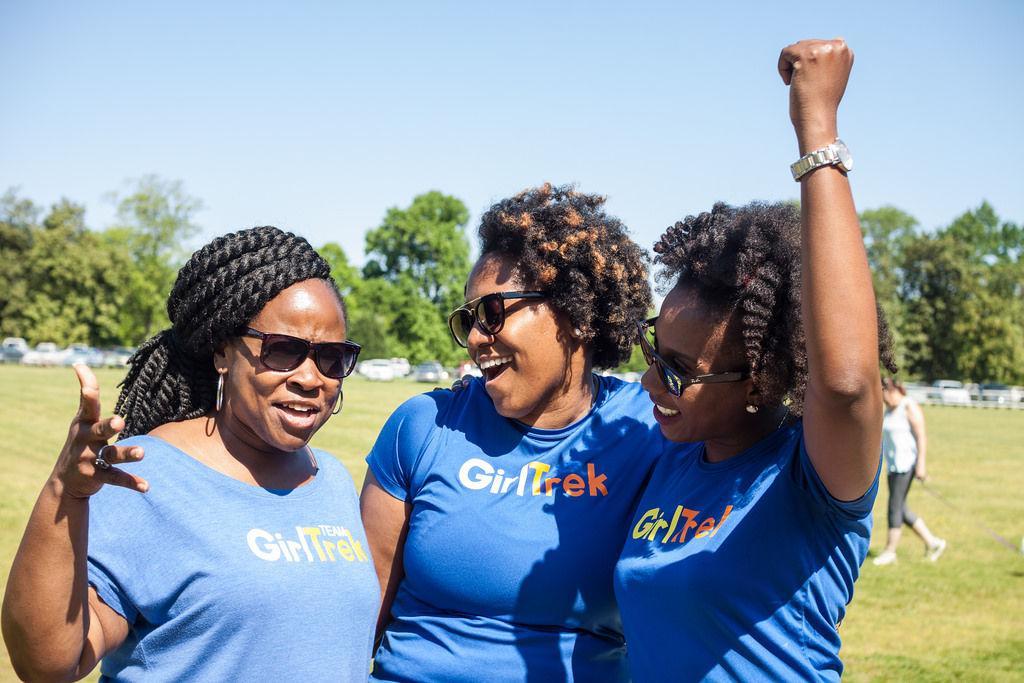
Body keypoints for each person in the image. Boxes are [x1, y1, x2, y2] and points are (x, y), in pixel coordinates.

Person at [614, 39, 898, 681]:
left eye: (680, 371)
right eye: (654, 350)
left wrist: (817, 128)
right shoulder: (675, 452)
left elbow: (849, 386)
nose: (651, 380)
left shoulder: (815, 480)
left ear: (761, 381)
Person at [2, 226, 379, 681]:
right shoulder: (142, 474)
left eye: (332, 357)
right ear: (222, 353)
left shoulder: (332, 479)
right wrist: (64, 491)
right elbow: (47, 663)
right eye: (283, 351)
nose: (310, 377)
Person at [360, 184, 666, 682]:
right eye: (468, 319)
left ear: (575, 312)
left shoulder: (650, 428)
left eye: (493, 312)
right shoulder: (424, 426)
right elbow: (360, 620)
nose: (478, 337)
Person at [872, 377, 946, 565]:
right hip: (894, 466)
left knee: (894, 507)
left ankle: (890, 551)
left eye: (884, 395)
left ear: (892, 390)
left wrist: (921, 464)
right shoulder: (889, 409)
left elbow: (921, 436)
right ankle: (933, 542)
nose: (883, 400)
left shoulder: (908, 406)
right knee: (902, 509)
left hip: (907, 465)